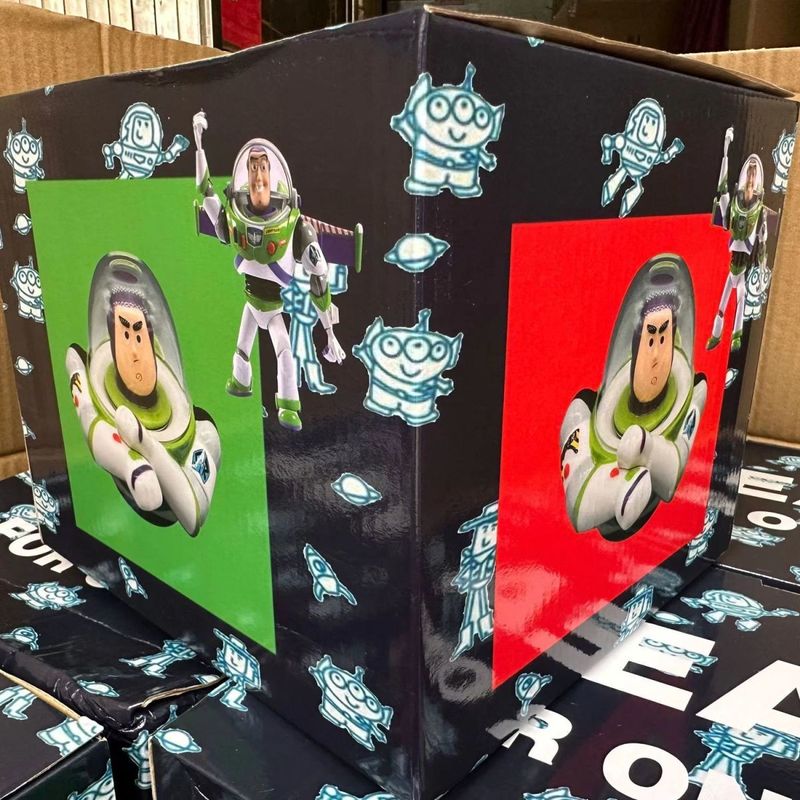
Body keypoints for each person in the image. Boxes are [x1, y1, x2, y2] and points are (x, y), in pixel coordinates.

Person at [192, 111, 363, 431]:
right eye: (253, 168)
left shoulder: (295, 229)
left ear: (272, 176)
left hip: (272, 308)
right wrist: (199, 144)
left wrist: (330, 333)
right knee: (242, 347)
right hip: (250, 300)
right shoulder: (234, 218)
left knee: (283, 351)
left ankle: (288, 406)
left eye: (263, 168)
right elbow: (206, 190)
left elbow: (319, 280)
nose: (258, 177)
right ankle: (241, 382)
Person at [66, 252, 220, 536]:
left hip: (167, 518)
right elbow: (89, 415)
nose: (135, 351)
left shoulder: (199, 430)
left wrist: (145, 444)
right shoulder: (98, 383)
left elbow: (193, 517)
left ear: (153, 344)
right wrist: (131, 463)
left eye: (139, 335)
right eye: (124, 335)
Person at [560, 254, 707, 541]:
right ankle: (616, 492)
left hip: (658, 471)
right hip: (606, 486)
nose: (656, 355)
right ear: (636, 344)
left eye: (664, 337)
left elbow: (673, 473)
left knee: (699, 393)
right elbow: (576, 509)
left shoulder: (692, 389)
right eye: (650, 338)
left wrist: (646, 448)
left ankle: (630, 482)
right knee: (577, 411)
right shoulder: (595, 406)